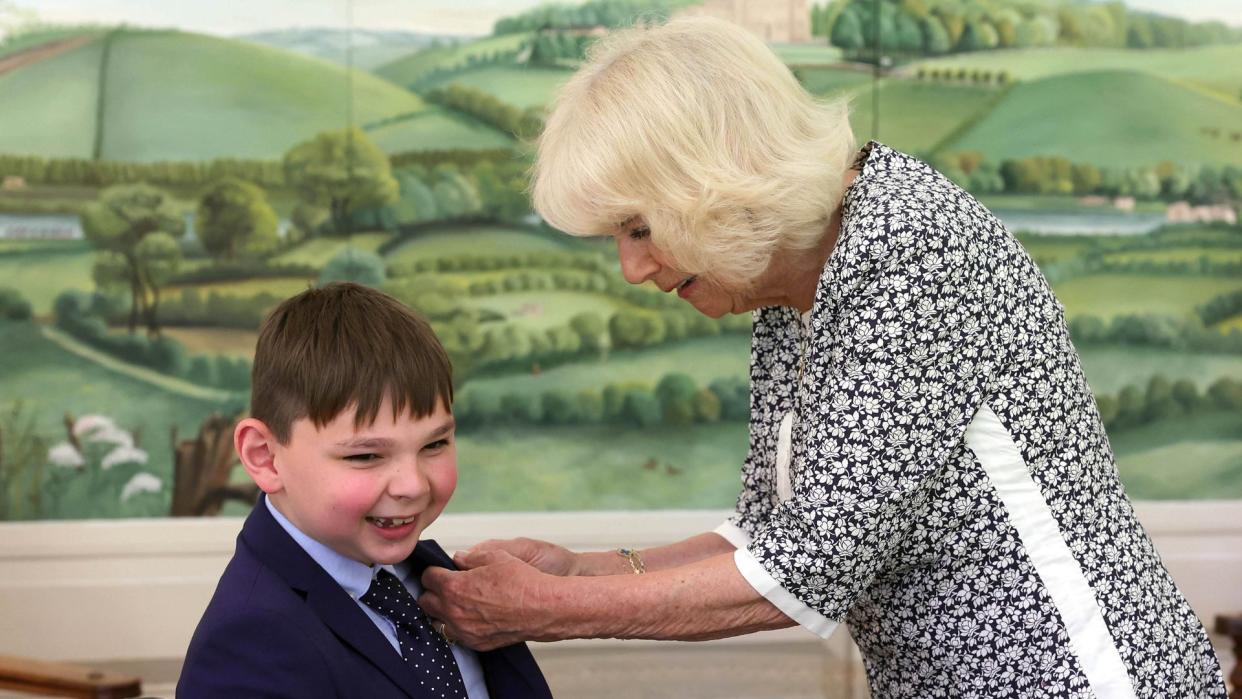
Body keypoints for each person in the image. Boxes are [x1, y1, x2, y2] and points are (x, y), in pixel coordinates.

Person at [418, 17, 1227, 698]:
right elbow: (772, 536)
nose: (632, 269)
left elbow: (807, 573)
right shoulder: (797, 277)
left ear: (717, 178)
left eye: (638, 227)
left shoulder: (909, 250)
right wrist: (579, 569)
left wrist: (546, 610)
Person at [178, 283, 553, 699]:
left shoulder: (437, 577)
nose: (412, 485)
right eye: (365, 456)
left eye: (434, 445)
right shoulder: (248, 644)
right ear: (265, 456)